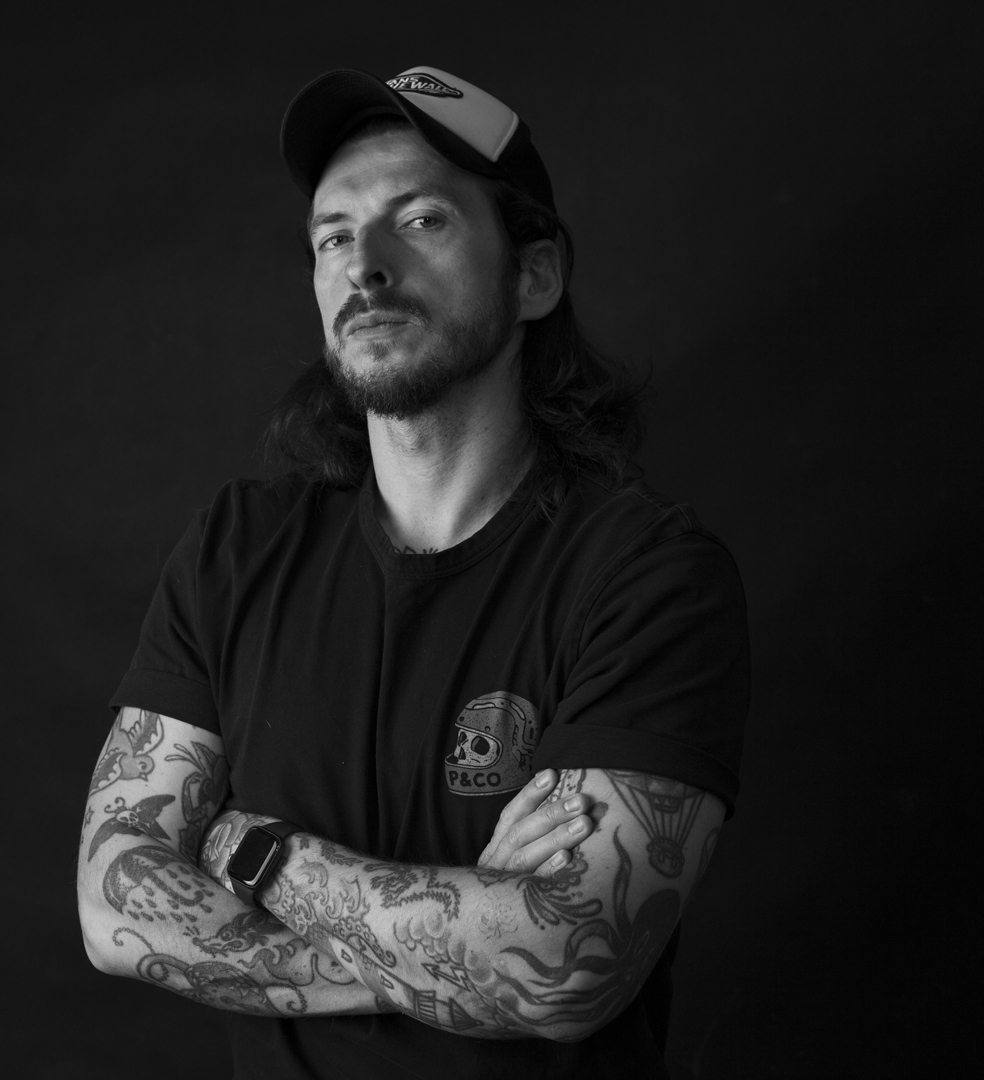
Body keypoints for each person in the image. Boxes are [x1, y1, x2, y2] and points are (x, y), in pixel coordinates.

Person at [76, 65, 748, 1079]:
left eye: (421, 221)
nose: (365, 267)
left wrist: (256, 853)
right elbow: (113, 903)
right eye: (332, 237)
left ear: (534, 277)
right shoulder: (238, 549)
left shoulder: (648, 577)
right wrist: (468, 941)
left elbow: (567, 966)